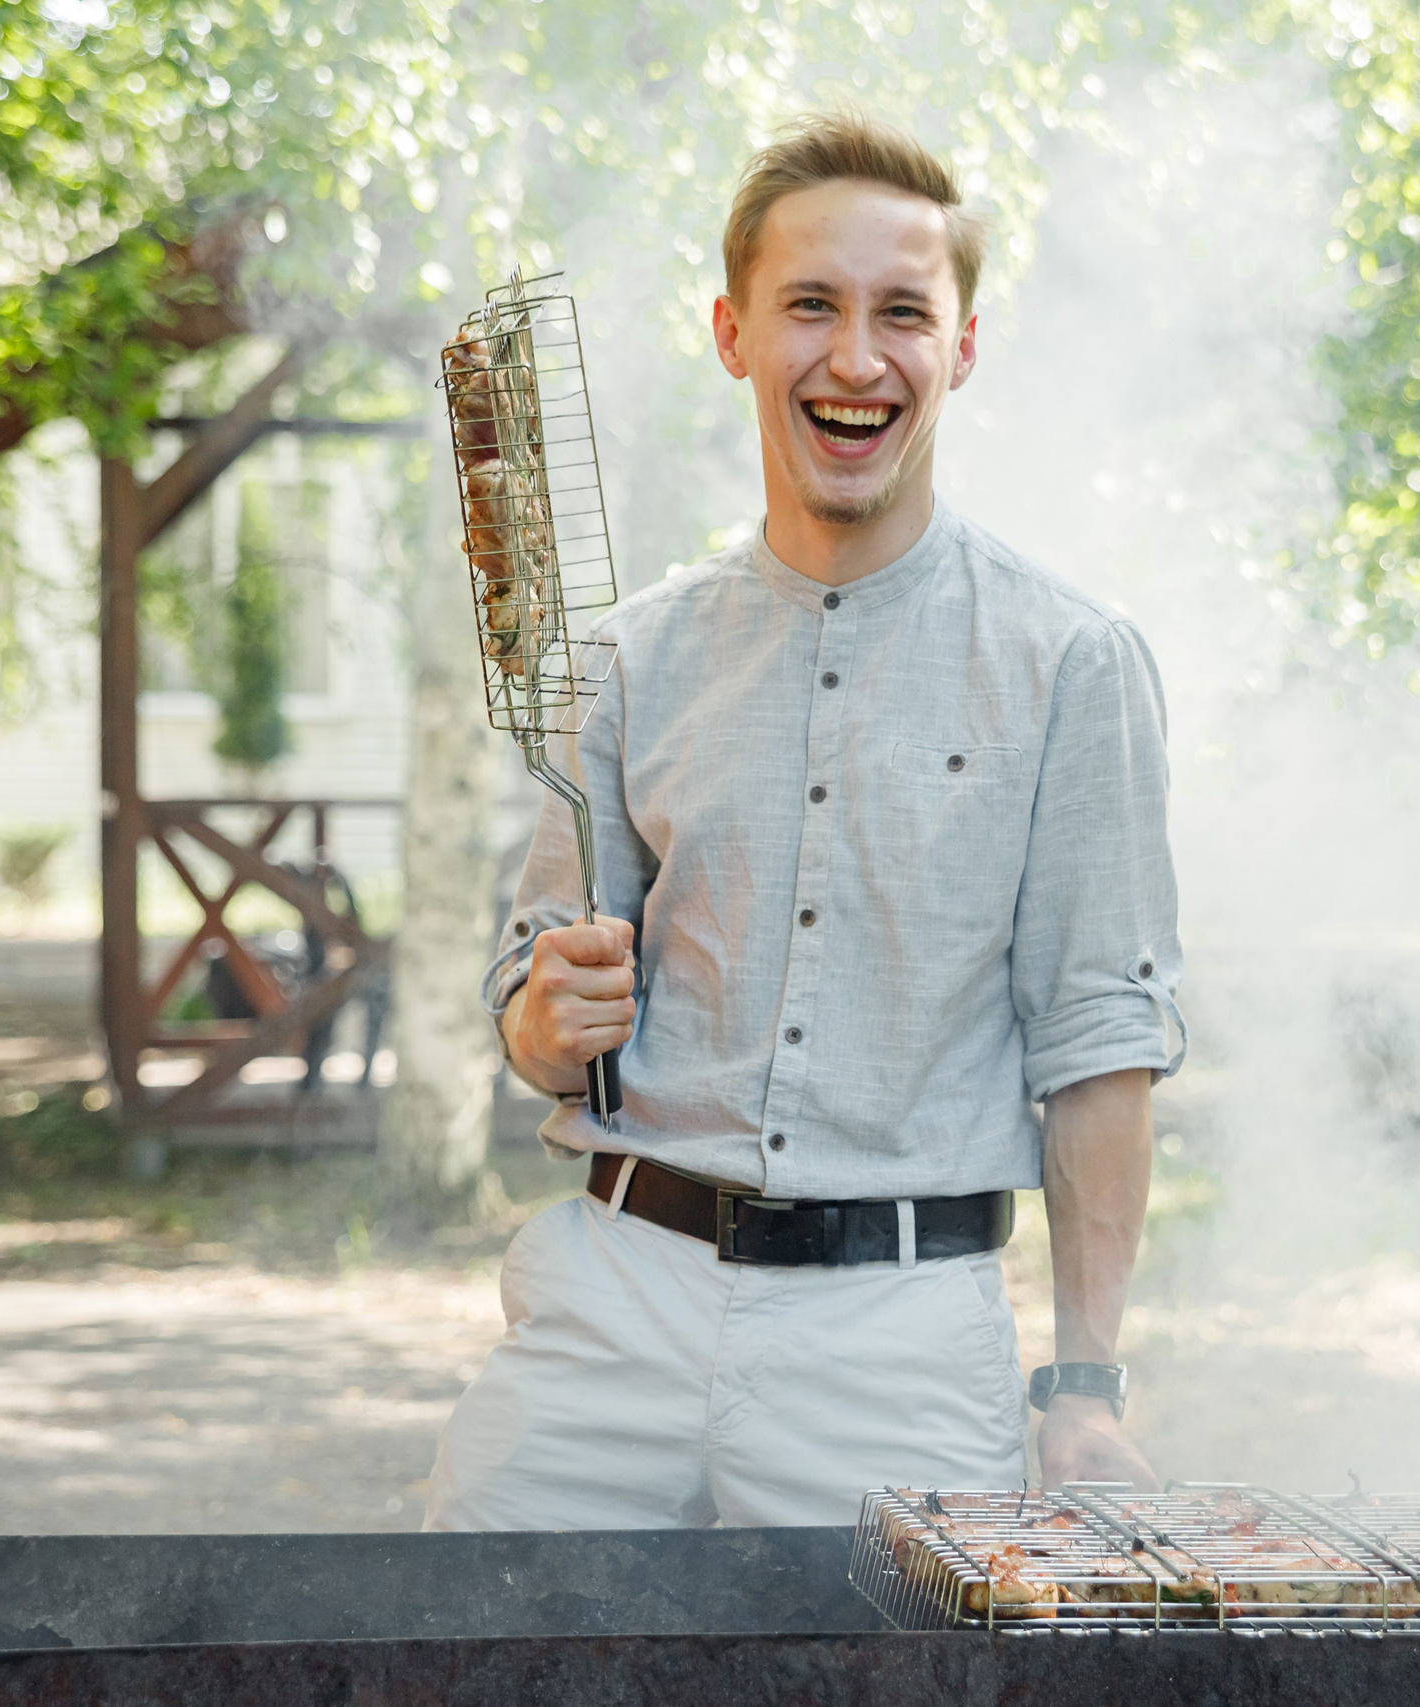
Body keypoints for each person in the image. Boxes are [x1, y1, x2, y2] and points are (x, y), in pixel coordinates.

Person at [425, 111, 1186, 1531]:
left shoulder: (1073, 665)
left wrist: (1085, 1384)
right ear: (733, 333)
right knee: (465, 1644)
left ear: (960, 348)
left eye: (903, 312)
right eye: (810, 308)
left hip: (898, 1335)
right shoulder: (627, 659)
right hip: (619, 1287)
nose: (854, 358)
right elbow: (529, 1017)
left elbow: (1099, 1046)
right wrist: (545, 1019)